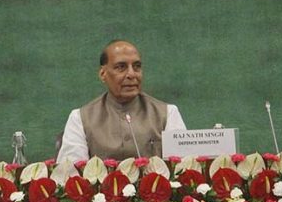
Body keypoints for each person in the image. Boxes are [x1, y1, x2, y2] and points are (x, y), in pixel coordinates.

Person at [56, 40, 186, 163]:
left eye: (137, 67)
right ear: (103, 74)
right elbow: (71, 175)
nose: (131, 74)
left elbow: (180, 170)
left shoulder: (168, 114)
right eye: (121, 67)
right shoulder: (80, 118)